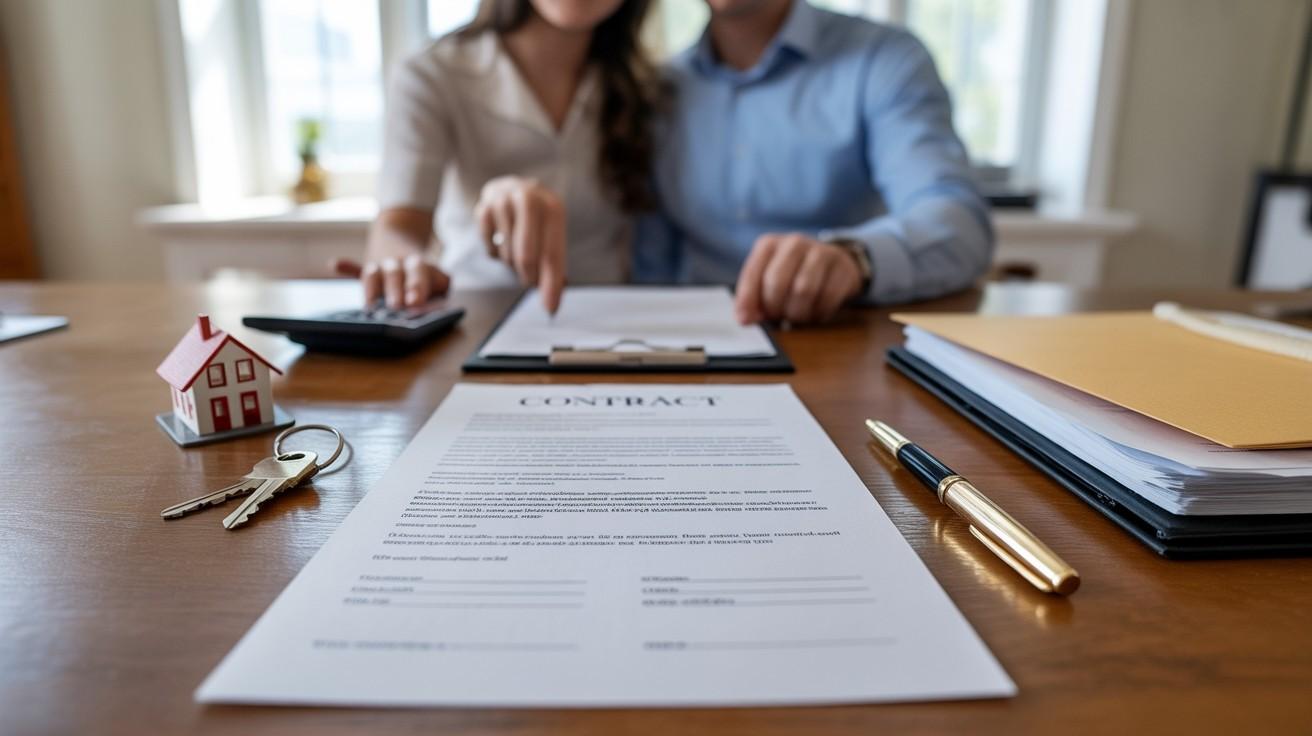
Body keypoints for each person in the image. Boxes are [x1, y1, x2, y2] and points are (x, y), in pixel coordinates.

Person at [634, 0, 994, 325]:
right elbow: (651, 263)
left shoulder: (884, 58)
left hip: (841, 337)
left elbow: (959, 223)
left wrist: (855, 259)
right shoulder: (659, 89)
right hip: (699, 341)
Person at [335, 0, 661, 313]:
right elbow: (398, 226)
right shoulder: (432, 73)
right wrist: (405, 267)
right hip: (472, 317)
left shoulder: (649, 87)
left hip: (613, 323)